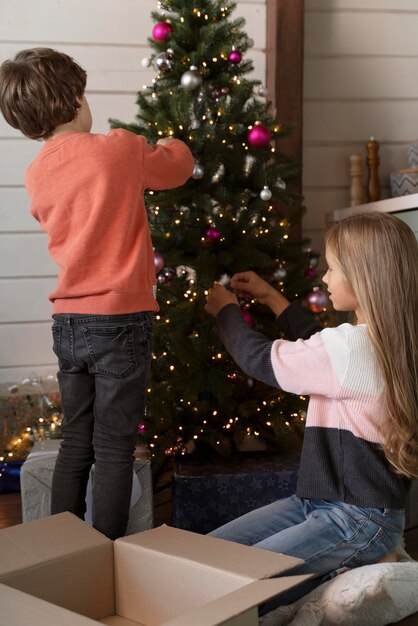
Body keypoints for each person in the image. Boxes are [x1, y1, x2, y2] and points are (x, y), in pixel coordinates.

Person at [0, 48, 194, 539]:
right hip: (120, 319)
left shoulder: (36, 172)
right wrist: (170, 138)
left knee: (75, 442)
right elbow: (177, 167)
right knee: (113, 447)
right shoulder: (119, 149)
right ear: (76, 98)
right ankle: (105, 553)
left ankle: (61, 546)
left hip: (68, 323)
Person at [205, 211, 418, 603]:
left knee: (227, 585)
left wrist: (226, 312)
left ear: (364, 276)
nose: (324, 278)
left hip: (357, 519)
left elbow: (258, 358)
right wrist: (272, 298)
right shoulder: (387, 340)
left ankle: (364, 560)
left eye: (332, 268)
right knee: (204, 558)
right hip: (319, 503)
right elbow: (320, 343)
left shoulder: (352, 347)